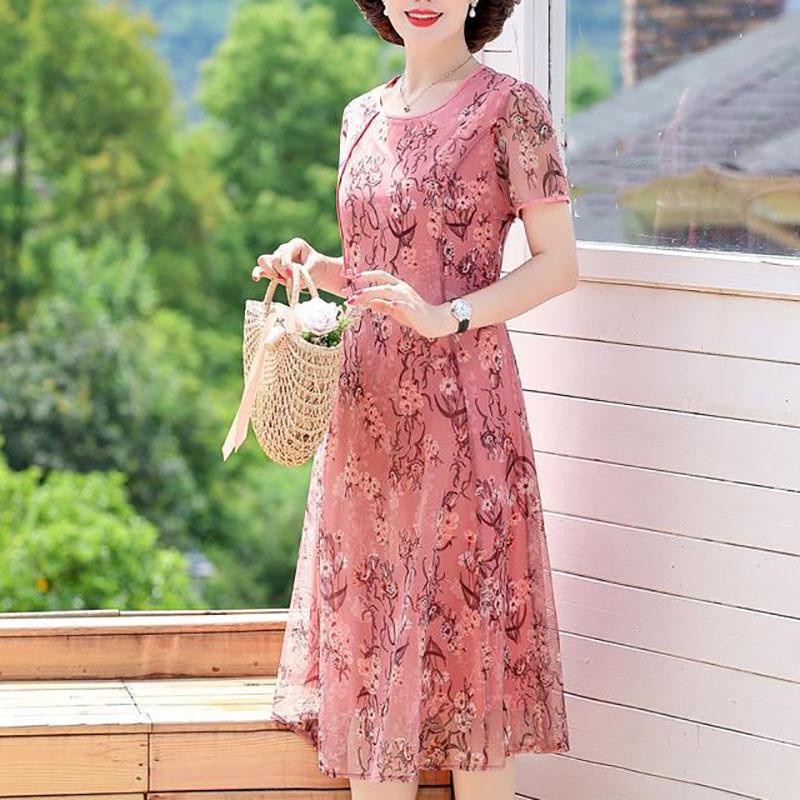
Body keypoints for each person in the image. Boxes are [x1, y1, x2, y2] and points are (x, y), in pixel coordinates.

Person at [255, 1, 579, 798]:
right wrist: (317, 267)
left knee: (471, 667)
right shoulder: (359, 116)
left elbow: (559, 264)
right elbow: (383, 266)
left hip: (464, 416)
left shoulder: (511, 107)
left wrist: (447, 316)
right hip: (366, 423)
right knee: (370, 667)